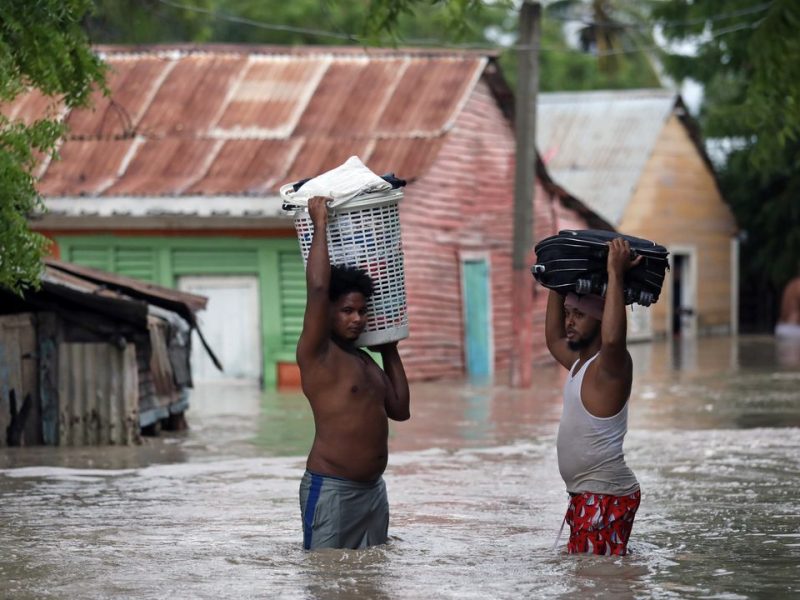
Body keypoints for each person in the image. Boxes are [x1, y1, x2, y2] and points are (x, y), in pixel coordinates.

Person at [297, 196, 410, 551]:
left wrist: (389, 344)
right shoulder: (318, 354)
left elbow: (401, 410)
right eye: (347, 310)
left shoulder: (364, 360)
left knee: (370, 583)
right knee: (326, 580)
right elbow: (317, 288)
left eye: (362, 312)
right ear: (326, 312)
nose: (357, 319)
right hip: (332, 489)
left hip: (373, 491)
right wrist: (320, 224)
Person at [544, 237, 642, 556]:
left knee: (595, 582)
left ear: (601, 319)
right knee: (591, 578)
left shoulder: (611, 367)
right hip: (588, 495)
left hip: (604, 495)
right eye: (568, 312)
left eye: (579, 315)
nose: (569, 321)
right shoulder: (579, 365)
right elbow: (554, 337)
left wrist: (615, 273)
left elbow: (614, 340)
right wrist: (557, 282)